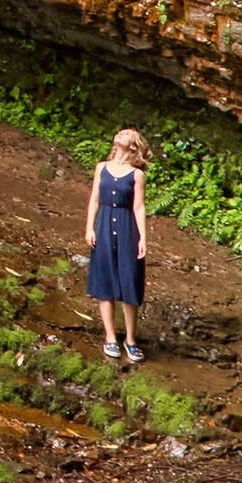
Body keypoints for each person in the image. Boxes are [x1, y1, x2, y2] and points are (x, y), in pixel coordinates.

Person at [84, 127, 151, 363]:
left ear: (134, 146)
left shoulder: (136, 175)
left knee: (129, 280)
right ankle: (110, 337)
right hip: (102, 226)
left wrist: (143, 237)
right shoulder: (101, 167)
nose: (120, 134)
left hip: (127, 228)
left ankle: (131, 340)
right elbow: (94, 199)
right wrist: (89, 228)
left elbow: (139, 207)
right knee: (105, 281)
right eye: (120, 132)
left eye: (127, 134)